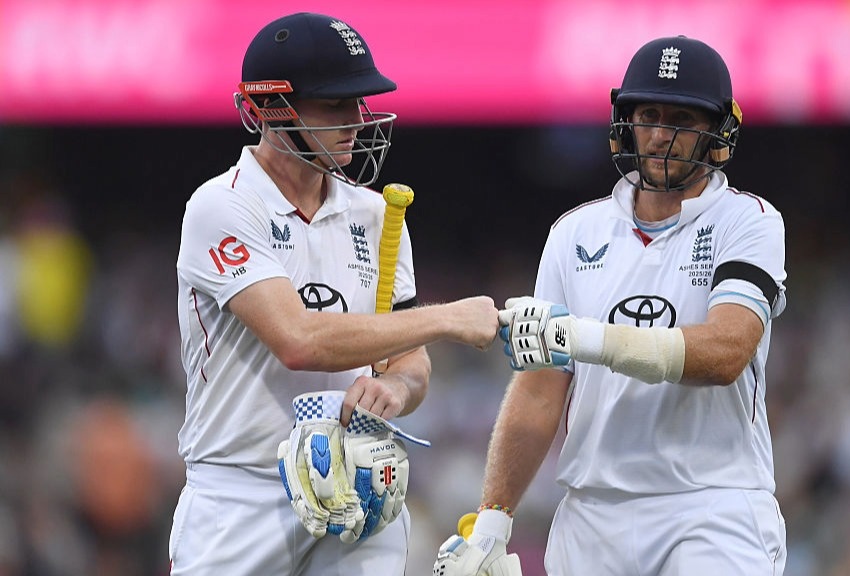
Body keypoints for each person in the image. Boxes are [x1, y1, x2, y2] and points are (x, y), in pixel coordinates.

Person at [435, 36, 787, 575]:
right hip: (592, 514)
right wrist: (492, 522)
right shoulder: (575, 232)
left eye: (683, 118)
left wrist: (579, 337)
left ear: (717, 132)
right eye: (649, 114)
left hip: (712, 507)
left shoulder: (750, 221)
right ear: (626, 120)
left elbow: (726, 352)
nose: (662, 134)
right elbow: (540, 389)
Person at [170, 12, 499, 575]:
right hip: (240, 495)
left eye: (359, 101)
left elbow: (409, 364)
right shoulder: (222, 207)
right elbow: (300, 341)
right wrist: (444, 319)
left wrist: (397, 386)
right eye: (335, 104)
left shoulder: (376, 213)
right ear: (273, 110)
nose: (356, 120)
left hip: (358, 482)